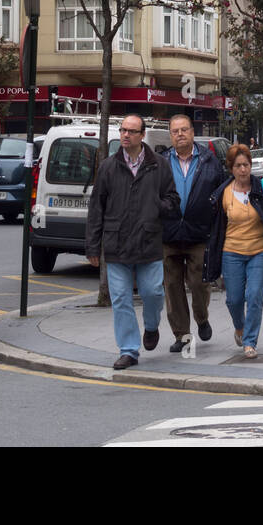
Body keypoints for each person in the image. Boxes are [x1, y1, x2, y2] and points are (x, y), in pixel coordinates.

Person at [85, 113, 180, 371]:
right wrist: (93, 247)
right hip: (116, 244)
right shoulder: (108, 167)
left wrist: (156, 206)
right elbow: (96, 209)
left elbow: (173, 201)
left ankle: (151, 326)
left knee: (153, 293)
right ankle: (128, 350)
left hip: (149, 243)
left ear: (141, 136)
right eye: (122, 130)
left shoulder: (159, 165)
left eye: (131, 131)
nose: (125, 135)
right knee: (121, 300)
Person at [203, 144, 263, 358]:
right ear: (231, 168)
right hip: (231, 252)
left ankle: (250, 342)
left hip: (259, 251)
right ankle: (240, 328)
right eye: (238, 166)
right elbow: (215, 226)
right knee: (233, 300)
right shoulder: (222, 193)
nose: (243, 170)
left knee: (254, 296)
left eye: (246, 165)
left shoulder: (261, 188)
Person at [160, 114, 226, 352]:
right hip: (169, 233)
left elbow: (221, 195)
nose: (180, 134)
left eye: (184, 130)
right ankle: (182, 335)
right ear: (170, 135)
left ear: (192, 132)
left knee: (200, 283)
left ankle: (201, 317)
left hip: (200, 233)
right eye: (175, 131)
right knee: (172, 286)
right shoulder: (162, 162)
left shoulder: (209, 161)